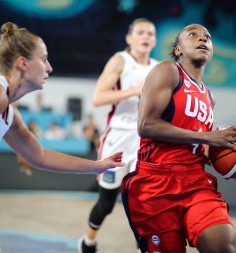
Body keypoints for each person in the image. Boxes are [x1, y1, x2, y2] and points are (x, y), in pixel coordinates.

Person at [0, 22, 124, 253]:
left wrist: (97, 166)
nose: (49, 67)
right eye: (44, 59)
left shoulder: (9, 114)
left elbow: (40, 156)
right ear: (23, 63)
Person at [121, 24, 236, 253]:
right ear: (178, 49)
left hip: (195, 182)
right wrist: (208, 137)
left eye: (207, 37)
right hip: (156, 183)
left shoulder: (209, 95)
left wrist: (225, 156)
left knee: (224, 245)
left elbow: (197, 143)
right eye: (193, 35)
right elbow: (146, 125)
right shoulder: (167, 71)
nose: (202, 39)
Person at [78, 18, 158, 253]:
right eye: (140, 32)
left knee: (143, 203)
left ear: (154, 40)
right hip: (118, 139)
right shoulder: (120, 61)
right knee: (107, 203)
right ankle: (88, 241)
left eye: (150, 33)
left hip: (144, 140)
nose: (145, 37)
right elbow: (98, 97)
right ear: (129, 38)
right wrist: (135, 90)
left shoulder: (159, 67)